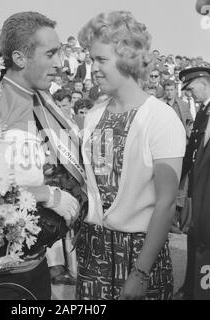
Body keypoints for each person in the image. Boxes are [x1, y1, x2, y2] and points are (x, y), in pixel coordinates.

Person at [0, 11, 85, 300]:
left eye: (60, 53)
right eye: (50, 54)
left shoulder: (42, 102)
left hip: (33, 261)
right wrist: (45, 194)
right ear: (20, 58)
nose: (60, 64)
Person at [76, 10, 186, 300]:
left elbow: (165, 202)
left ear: (126, 58)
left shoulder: (161, 118)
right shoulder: (93, 115)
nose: (94, 68)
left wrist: (140, 273)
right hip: (93, 256)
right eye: (91, 60)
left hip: (140, 256)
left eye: (101, 60)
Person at [174, 67, 210, 300]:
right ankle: (191, 287)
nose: (189, 94)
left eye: (191, 88)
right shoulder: (204, 110)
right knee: (195, 237)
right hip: (199, 187)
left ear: (204, 82)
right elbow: (192, 152)